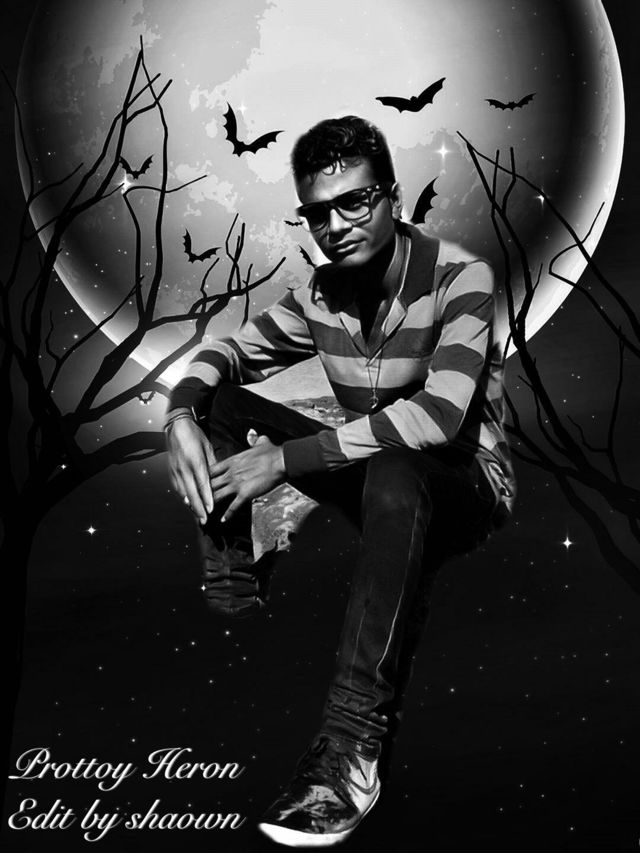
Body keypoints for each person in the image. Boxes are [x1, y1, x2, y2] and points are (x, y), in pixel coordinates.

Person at [164, 115, 516, 847]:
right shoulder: (320, 296)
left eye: (355, 202)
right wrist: (178, 413)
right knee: (220, 403)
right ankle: (238, 563)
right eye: (318, 212)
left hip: (466, 485)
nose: (336, 226)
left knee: (397, 463)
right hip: (374, 472)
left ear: (393, 197)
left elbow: (439, 417)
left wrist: (285, 461)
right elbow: (230, 351)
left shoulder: (462, 277)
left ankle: (352, 752)